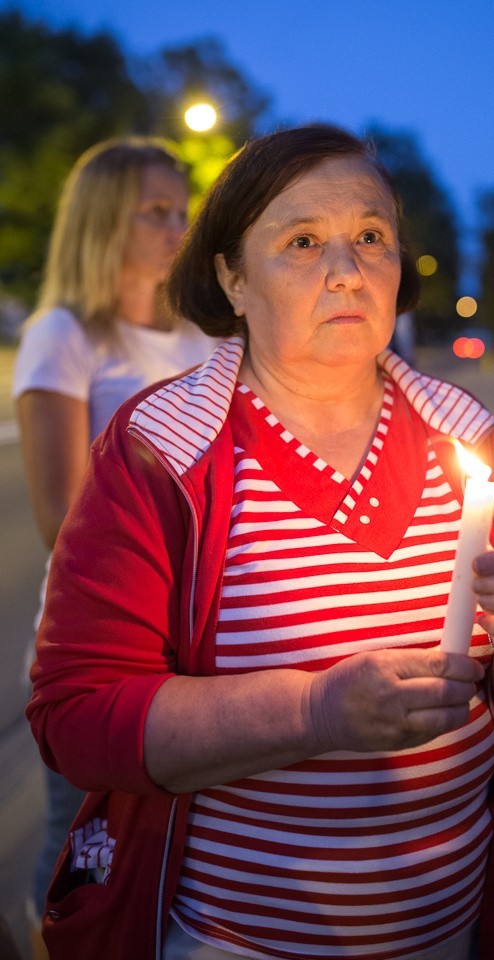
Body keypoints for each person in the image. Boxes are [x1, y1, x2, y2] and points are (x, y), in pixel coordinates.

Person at [26, 125, 494, 960]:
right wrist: (314, 710)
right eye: (302, 241)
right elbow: (76, 718)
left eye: (371, 236)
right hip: (232, 939)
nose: (347, 269)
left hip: (454, 927)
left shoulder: (462, 430)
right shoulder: (162, 446)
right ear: (232, 277)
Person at [13, 136, 218, 958]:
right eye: (156, 211)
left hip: (197, 641)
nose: (179, 227)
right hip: (105, 643)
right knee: (80, 855)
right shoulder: (64, 336)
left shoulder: (203, 339)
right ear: (104, 222)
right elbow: (62, 517)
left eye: (183, 210)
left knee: (171, 855)